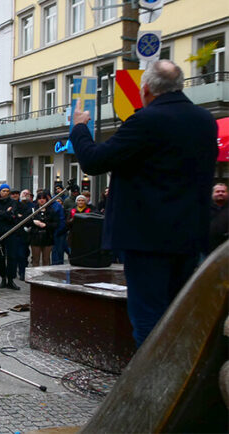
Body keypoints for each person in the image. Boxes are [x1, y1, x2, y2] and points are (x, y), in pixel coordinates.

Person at [70, 59, 217, 347]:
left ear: (146, 89)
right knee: (178, 314)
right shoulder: (205, 120)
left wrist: (79, 128)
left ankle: (152, 387)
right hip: (189, 236)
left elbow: (95, 160)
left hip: (147, 240)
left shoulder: (146, 121)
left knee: (148, 318)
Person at [0, 184, 21, 290]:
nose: (5, 193)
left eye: (7, 191)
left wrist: (1, 214)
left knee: (12, 257)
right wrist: (5, 213)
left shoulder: (13, 203)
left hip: (11, 233)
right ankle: (3, 278)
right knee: (0, 257)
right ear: (0, 192)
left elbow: (13, 216)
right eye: (3, 191)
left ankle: (11, 279)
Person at [28, 192, 58, 267]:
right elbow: (26, 222)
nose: (42, 200)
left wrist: (45, 225)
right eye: (40, 198)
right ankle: (35, 277)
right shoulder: (33, 210)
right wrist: (34, 222)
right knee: (35, 259)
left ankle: (46, 276)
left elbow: (56, 224)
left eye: (44, 198)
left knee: (46, 259)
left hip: (48, 237)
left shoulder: (51, 211)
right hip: (35, 237)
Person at [210, 183, 228, 253]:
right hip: (207, 249)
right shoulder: (204, 210)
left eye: (223, 191)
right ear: (212, 194)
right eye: (217, 191)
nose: (220, 193)